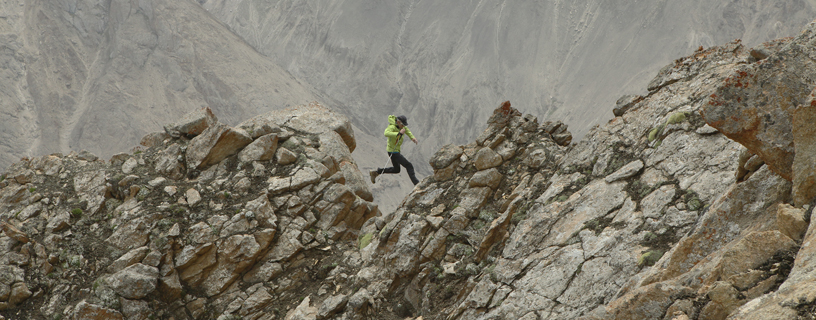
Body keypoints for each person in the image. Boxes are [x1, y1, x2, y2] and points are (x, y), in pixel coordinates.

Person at [370, 115, 419, 185]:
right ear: (398, 122)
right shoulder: (392, 127)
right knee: (409, 166)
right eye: (402, 124)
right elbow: (386, 133)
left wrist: (412, 138)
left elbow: (406, 130)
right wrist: (398, 133)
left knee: (396, 170)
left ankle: (377, 172)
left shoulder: (402, 126)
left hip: (396, 150)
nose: (403, 126)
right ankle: (417, 183)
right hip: (393, 152)